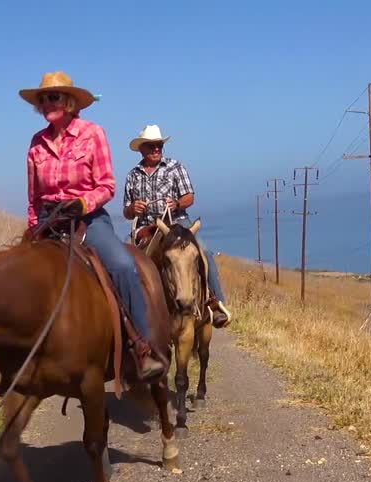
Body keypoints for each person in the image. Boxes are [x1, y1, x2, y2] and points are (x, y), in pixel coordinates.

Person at [20, 71, 165, 381]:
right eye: (43, 99)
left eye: (54, 97)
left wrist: (83, 204)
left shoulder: (92, 134)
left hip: (88, 219)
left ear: (71, 102)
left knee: (124, 266)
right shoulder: (36, 142)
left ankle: (143, 346)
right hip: (49, 221)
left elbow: (107, 185)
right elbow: (33, 198)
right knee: (15, 275)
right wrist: (34, 228)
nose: (47, 103)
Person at [122, 124, 232, 328]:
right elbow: (126, 211)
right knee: (124, 258)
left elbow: (189, 196)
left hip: (177, 222)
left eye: (159, 145)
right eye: (151, 146)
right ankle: (126, 309)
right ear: (142, 149)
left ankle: (216, 303)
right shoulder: (132, 175)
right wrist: (133, 209)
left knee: (204, 252)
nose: (156, 149)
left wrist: (177, 204)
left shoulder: (175, 167)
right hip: (146, 226)